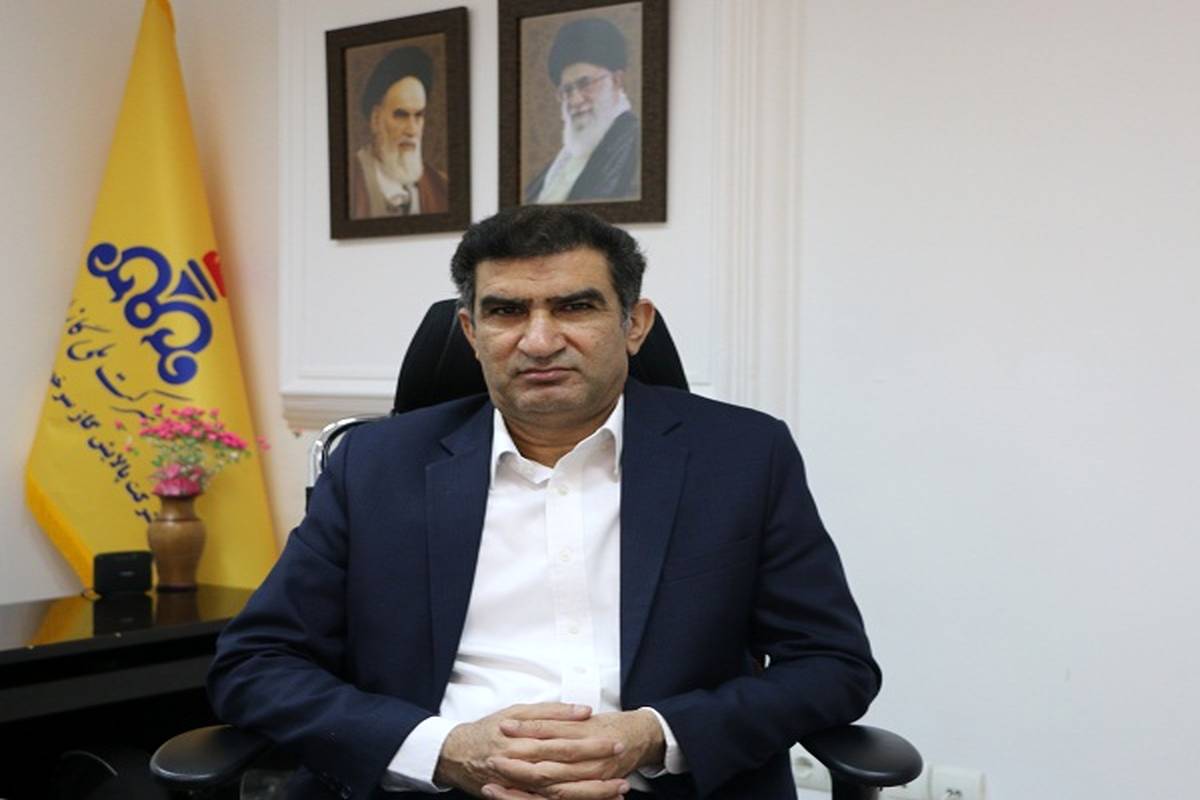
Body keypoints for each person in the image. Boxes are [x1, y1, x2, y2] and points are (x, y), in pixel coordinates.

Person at [208, 207, 880, 799]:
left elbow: (832, 665)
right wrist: (441, 750)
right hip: (434, 786)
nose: (538, 340)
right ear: (471, 333)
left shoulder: (742, 457)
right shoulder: (375, 466)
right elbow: (254, 664)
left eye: (575, 307)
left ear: (635, 324)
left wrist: (654, 735)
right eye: (506, 311)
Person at [524, 18, 641, 205]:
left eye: (585, 84)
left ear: (616, 81)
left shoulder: (635, 143)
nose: (575, 100)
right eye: (567, 90)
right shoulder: (561, 162)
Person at [351, 46, 449, 218]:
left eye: (418, 116)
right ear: (376, 119)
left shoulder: (440, 186)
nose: (412, 130)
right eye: (401, 115)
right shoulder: (351, 179)